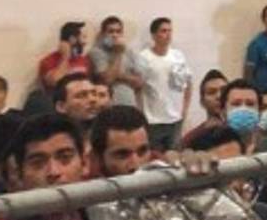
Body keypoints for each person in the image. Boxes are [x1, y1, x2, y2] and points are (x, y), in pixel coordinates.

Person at [137, 17, 194, 153]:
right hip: (153, 120)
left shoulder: (178, 55)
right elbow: (137, 88)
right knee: (155, 157)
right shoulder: (143, 58)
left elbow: (188, 82)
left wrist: (185, 109)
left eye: (170, 31)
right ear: (154, 35)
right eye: (163, 31)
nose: (168, 35)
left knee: (174, 157)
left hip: (175, 119)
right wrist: (141, 112)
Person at [88, 16, 145, 108]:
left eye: (118, 31)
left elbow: (140, 83)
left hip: (129, 104)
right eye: (111, 31)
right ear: (103, 34)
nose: (115, 35)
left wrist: (119, 75)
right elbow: (108, 80)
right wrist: (118, 53)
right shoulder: (96, 52)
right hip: (107, 106)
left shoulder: (129, 52)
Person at [38, 21, 91, 93]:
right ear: (72, 39)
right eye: (83, 37)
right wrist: (65, 57)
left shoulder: (83, 60)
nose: (85, 43)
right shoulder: (48, 60)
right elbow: (53, 82)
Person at [180, 69, 228, 148]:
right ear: (202, 102)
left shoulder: (242, 131)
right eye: (211, 92)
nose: (219, 96)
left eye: (224, 91)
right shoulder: (190, 139)